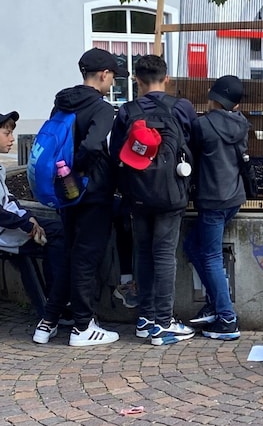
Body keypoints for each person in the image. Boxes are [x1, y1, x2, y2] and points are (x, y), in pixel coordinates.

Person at [36, 48, 126, 346]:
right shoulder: (101, 108)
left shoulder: (62, 102)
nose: (112, 82)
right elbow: (90, 145)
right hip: (91, 191)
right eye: (112, 76)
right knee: (86, 258)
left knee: (70, 255)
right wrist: (83, 172)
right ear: (103, 74)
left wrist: (66, 177)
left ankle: (47, 322)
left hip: (65, 191)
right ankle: (82, 327)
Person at [110, 54, 196, 346]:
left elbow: (116, 154)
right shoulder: (181, 107)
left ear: (136, 80)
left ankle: (146, 319)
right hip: (172, 193)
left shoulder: (127, 111)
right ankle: (164, 322)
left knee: (143, 253)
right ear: (167, 79)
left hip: (138, 194)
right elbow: (194, 143)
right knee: (164, 255)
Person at [182, 75, 249, 341]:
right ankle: (215, 301)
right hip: (234, 197)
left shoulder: (203, 125)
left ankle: (226, 317)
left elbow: (191, 153)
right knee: (191, 245)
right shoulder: (242, 123)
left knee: (210, 256)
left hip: (212, 200)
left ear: (213, 98)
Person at [0, 111, 67, 344]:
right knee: (57, 235)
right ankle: (53, 309)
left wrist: (29, 217)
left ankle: (54, 303)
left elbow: (10, 200)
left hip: (12, 226)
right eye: (7, 133)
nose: (11, 138)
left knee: (57, 233)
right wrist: (26, 222)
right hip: (6, 234)